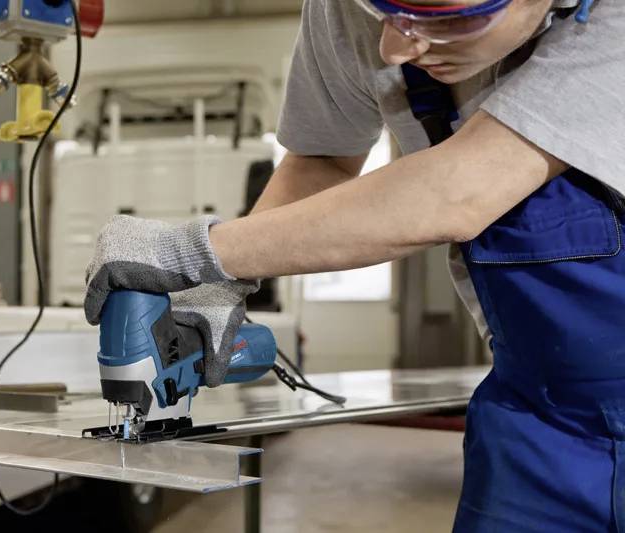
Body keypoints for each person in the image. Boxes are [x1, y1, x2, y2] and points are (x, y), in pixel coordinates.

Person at [84, 0, 625, 530]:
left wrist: (196, 253)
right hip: (534, 421)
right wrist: (223, 287)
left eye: (442, 20)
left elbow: (462, 190)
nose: (391, 47)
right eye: (382, 12)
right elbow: (325, 157)